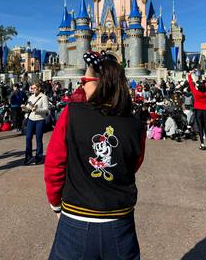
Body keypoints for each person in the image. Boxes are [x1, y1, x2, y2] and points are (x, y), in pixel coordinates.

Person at [44, 51, 146, 260]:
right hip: (120, 222)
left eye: (85, 80)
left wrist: (56, 203)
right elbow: (133, 163)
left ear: (99, 83)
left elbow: (54, 165)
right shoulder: (135, 124)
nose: (81, 85)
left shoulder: (72, 114)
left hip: (76, 221)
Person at [22, 83, 49, 165]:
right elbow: (28, 108)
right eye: (32, 88)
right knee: (28, 138)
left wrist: (36, 110)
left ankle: (39, 157)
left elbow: (46, 109)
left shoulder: (44, 97)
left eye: (34, 88)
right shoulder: (31, 97)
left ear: (39, 88)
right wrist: (24, 108)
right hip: (31, 119)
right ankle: (28, 156)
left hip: (40, 120)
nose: (33, 89)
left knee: (38, 138)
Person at [188, 70, 206, 150]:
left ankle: (202, 144)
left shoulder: (196, 93)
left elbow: (191, 85)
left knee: (200, 128)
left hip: (198, 111)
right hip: (205, 111)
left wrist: (189, 75)